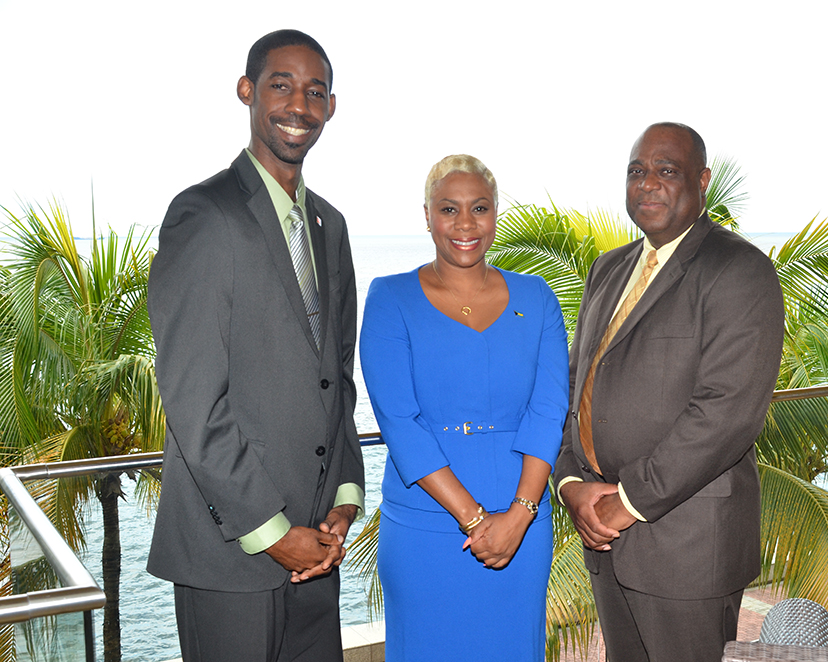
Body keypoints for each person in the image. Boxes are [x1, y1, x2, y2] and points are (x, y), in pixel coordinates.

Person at [146, 29, 364, 662]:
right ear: (246, 91)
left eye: (315, 92)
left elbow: (336, 378)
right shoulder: (203, 214)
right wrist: (271, 532)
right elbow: (193, 401)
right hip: (231, 554)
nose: (299, 105)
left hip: (318, 548)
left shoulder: (330, 225)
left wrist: (344, 496)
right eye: (281, 85)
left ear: (331, 106)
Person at [554, 123, 785, 662]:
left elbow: (727, 413)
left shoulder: (739, 269)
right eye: (637, 171)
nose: (648, 183)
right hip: (604, 535)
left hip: (687, 547)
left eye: (667, 170)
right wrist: (570, 482)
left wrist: (629, 502)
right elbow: (574, 387)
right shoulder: (607, 269)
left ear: (702, 181)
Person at [359, 155, 569, 661]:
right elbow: (399, 422)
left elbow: (549, 410)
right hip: (427, 524)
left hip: (523, 523)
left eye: (479, 207)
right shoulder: (389, 297)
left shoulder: (537, 296)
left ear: (495, 213)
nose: (465, 224)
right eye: (449, 209)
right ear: (427, 215)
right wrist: (474, 521)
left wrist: (519, 514)